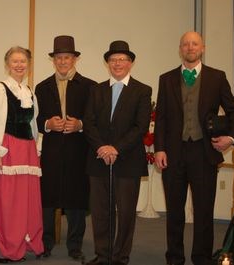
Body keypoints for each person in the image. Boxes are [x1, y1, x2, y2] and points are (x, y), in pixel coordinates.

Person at [154, 31, 234, 265]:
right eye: (185, 44)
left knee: (203, 212)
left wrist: (230, 139)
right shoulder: (166, 79)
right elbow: (161, 117)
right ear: (180, 49)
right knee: (174, 212)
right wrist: (159, 149)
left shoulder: (217, 77)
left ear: (202, 48)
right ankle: (174, 257)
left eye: (194, 44)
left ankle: (201, 258)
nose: (190, 47)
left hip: (204, 154)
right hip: (173, 153)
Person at [83, 40, 152, 265]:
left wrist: (116, 148)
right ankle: (103, 255)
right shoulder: (96, 89)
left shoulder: (143, 91)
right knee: (101, 212)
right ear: (107, 63)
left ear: (130, 63)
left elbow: (140, 127)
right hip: (98, 159)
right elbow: (89, 122)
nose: (118, 63)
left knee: (125, 213)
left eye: (122, 59)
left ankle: (121, 256)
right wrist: (102, 147)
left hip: (128, 161)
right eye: (113, 60)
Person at [0, 46, 44, 262]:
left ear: (28, 65)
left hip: (26, 151)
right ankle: (1, 244)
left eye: (23, 61)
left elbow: (32, 123)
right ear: (7, 64)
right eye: (15, 61)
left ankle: (18, 241)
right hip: (7, 148)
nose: (19, 65)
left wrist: (35, 148)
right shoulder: (0, 88)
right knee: (5, 198)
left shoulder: (29, 91)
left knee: (23, 199)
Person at [35, 35, 97, 259]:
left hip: (78, 151)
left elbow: (93, 119)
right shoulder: (42, 87)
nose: (63, 62)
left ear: (74, 59)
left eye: (67, 57)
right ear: (53, 60)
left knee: (77, 199)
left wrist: (79, 124)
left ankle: (75, 246)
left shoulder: (90, 86)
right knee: (48, 198)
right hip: (51, 151)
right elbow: (38, 118)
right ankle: (46, 242)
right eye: (59, 57)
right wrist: (48, 124)